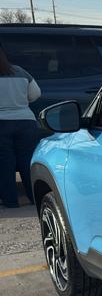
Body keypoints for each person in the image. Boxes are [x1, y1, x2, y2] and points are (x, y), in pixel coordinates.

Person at [0, 48, 41, 208]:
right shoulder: (20, 71)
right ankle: (35, 198)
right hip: (26, 122)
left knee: (5, 164)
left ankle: (10, 202)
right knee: (27, 161)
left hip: (1, 123)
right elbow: (35, 94)